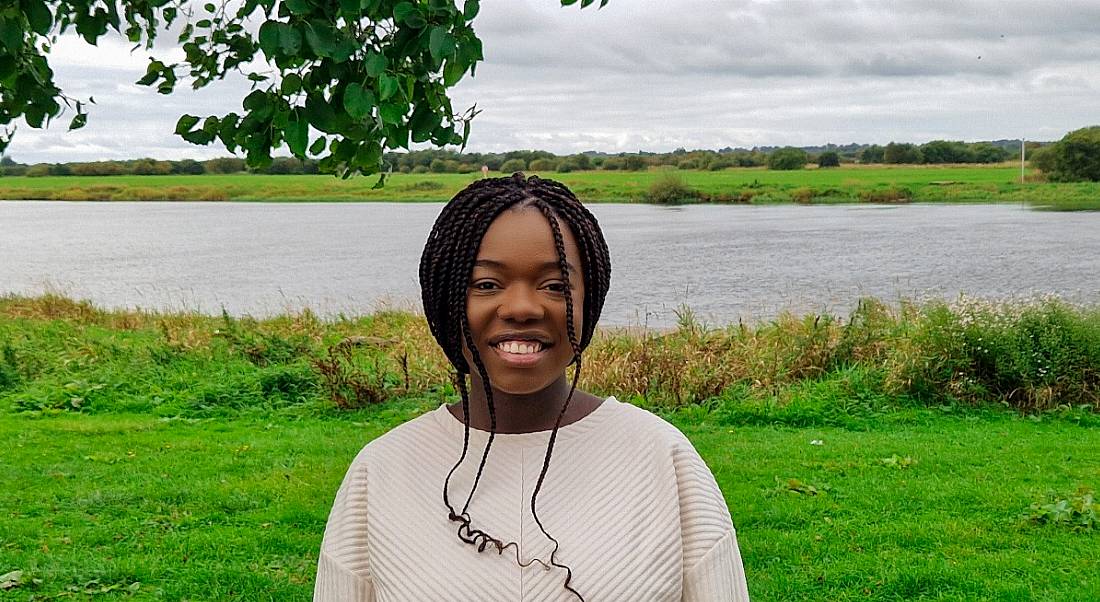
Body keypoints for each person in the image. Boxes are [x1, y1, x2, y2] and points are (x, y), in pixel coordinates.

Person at [314, 173, 750, 601]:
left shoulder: (661, 458)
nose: (522, 307)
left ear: (588, 301)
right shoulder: (382, 471)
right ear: (445, 300)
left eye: (555, 285)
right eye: (486, 284)